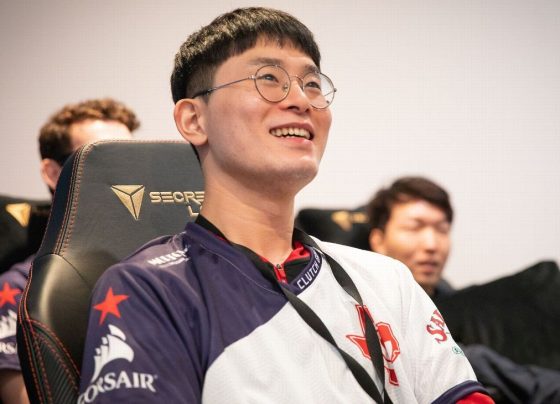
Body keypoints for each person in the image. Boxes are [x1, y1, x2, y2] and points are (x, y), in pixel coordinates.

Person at [78, 8, 492, 403]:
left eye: (312, 84)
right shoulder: (152, 289)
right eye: (268, 78)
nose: (301, 100)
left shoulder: (388, 280)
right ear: (194, 120)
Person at [367, 176, 560, 403]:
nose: (431, 244)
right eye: (414, 228)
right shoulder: (364, 307)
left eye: (442, 229)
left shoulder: (463, 305)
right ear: (379, 241)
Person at [0, 98, 139, 404]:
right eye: (101, 159)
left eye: (129, 159)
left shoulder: (169, 262)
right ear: (53, 173)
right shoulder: (20, 290)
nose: (123, 175)